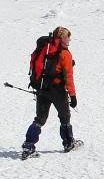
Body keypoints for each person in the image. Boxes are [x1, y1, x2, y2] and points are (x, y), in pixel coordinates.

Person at [21, 26, 80, 159]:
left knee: (40, 119)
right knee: (65, 117)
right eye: (68, 36)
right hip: (57, 90)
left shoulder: (45, 47)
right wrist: (73, 95)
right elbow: (68, 77)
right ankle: (69, 143)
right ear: (62, 38)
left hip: (41, 88)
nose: (70, 39)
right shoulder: (64, 53)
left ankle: (28, 145)